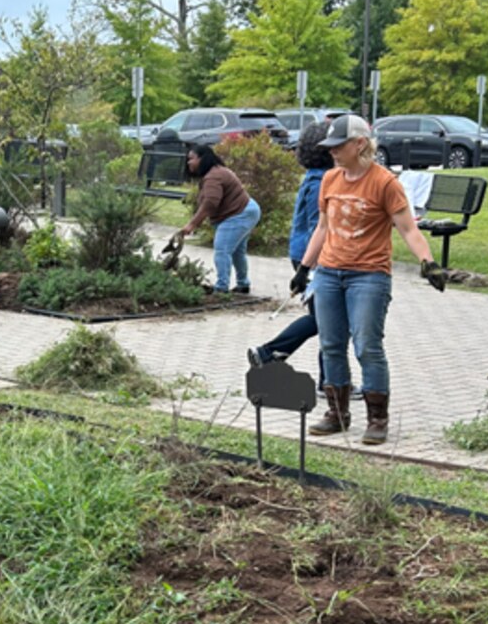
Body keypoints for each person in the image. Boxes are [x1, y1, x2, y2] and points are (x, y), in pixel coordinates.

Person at [294, 114, 445, 445]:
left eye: (338, 145)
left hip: (369, 277)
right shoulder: (330, 180)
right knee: (331, 345)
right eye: (329, 146)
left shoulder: (385, 183)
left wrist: (428, 262)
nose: (331, 151)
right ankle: (337, 413)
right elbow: (323, 227)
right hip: (330, 274)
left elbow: (407, 228)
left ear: (359, 144)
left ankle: (377, 419)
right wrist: (305, 269)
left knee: (367, 346)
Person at [246, 122, 362, 398]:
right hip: (315, 256)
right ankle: (274, 353)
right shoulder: (325, 181)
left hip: (304, 254)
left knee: (325, 320)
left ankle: (326, 379)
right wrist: (314, 264)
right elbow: (317, 226)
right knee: (328, 320)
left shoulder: (314, 176)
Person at [177, 144, 261, 294]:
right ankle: (243, 284)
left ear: (202, 159)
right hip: (246, 210)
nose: (188, 162)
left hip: (239, 214)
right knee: (237, 252)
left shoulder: (213, 176)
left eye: (191, 159)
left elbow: (210, 203)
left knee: (222, 250)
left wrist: (192, 224)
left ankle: (221, 287)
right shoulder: (215, 173)